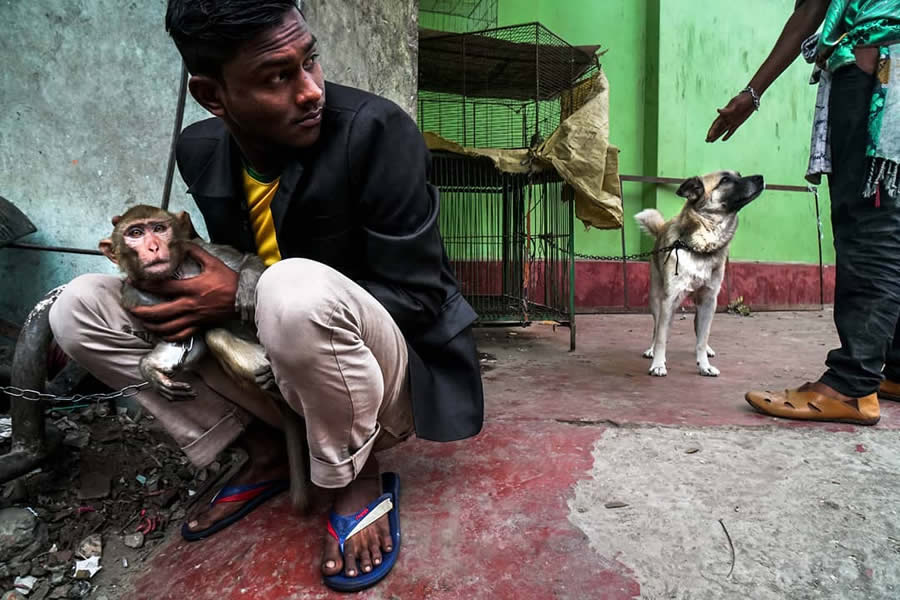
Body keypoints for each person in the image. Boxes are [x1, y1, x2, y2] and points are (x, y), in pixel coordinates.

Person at [48, 0, 484, 588]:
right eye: (277, 77)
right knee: (79, 307)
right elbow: (227, 267)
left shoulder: (377, 132)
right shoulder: (200, 150)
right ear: (213, 95)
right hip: (277, 359)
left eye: (310, 62)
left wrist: (242, 297)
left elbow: (421, 299)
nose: (310, 91)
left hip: (383, 371)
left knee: (288, 286)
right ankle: (266, 448)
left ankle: (354, 472)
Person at [707, 0, 900, 425]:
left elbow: (811, 7)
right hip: (885, 61)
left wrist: (752, 92)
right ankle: (895, 368)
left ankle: (851, 386)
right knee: (890, 221)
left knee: (868, 223)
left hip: (876, 64)